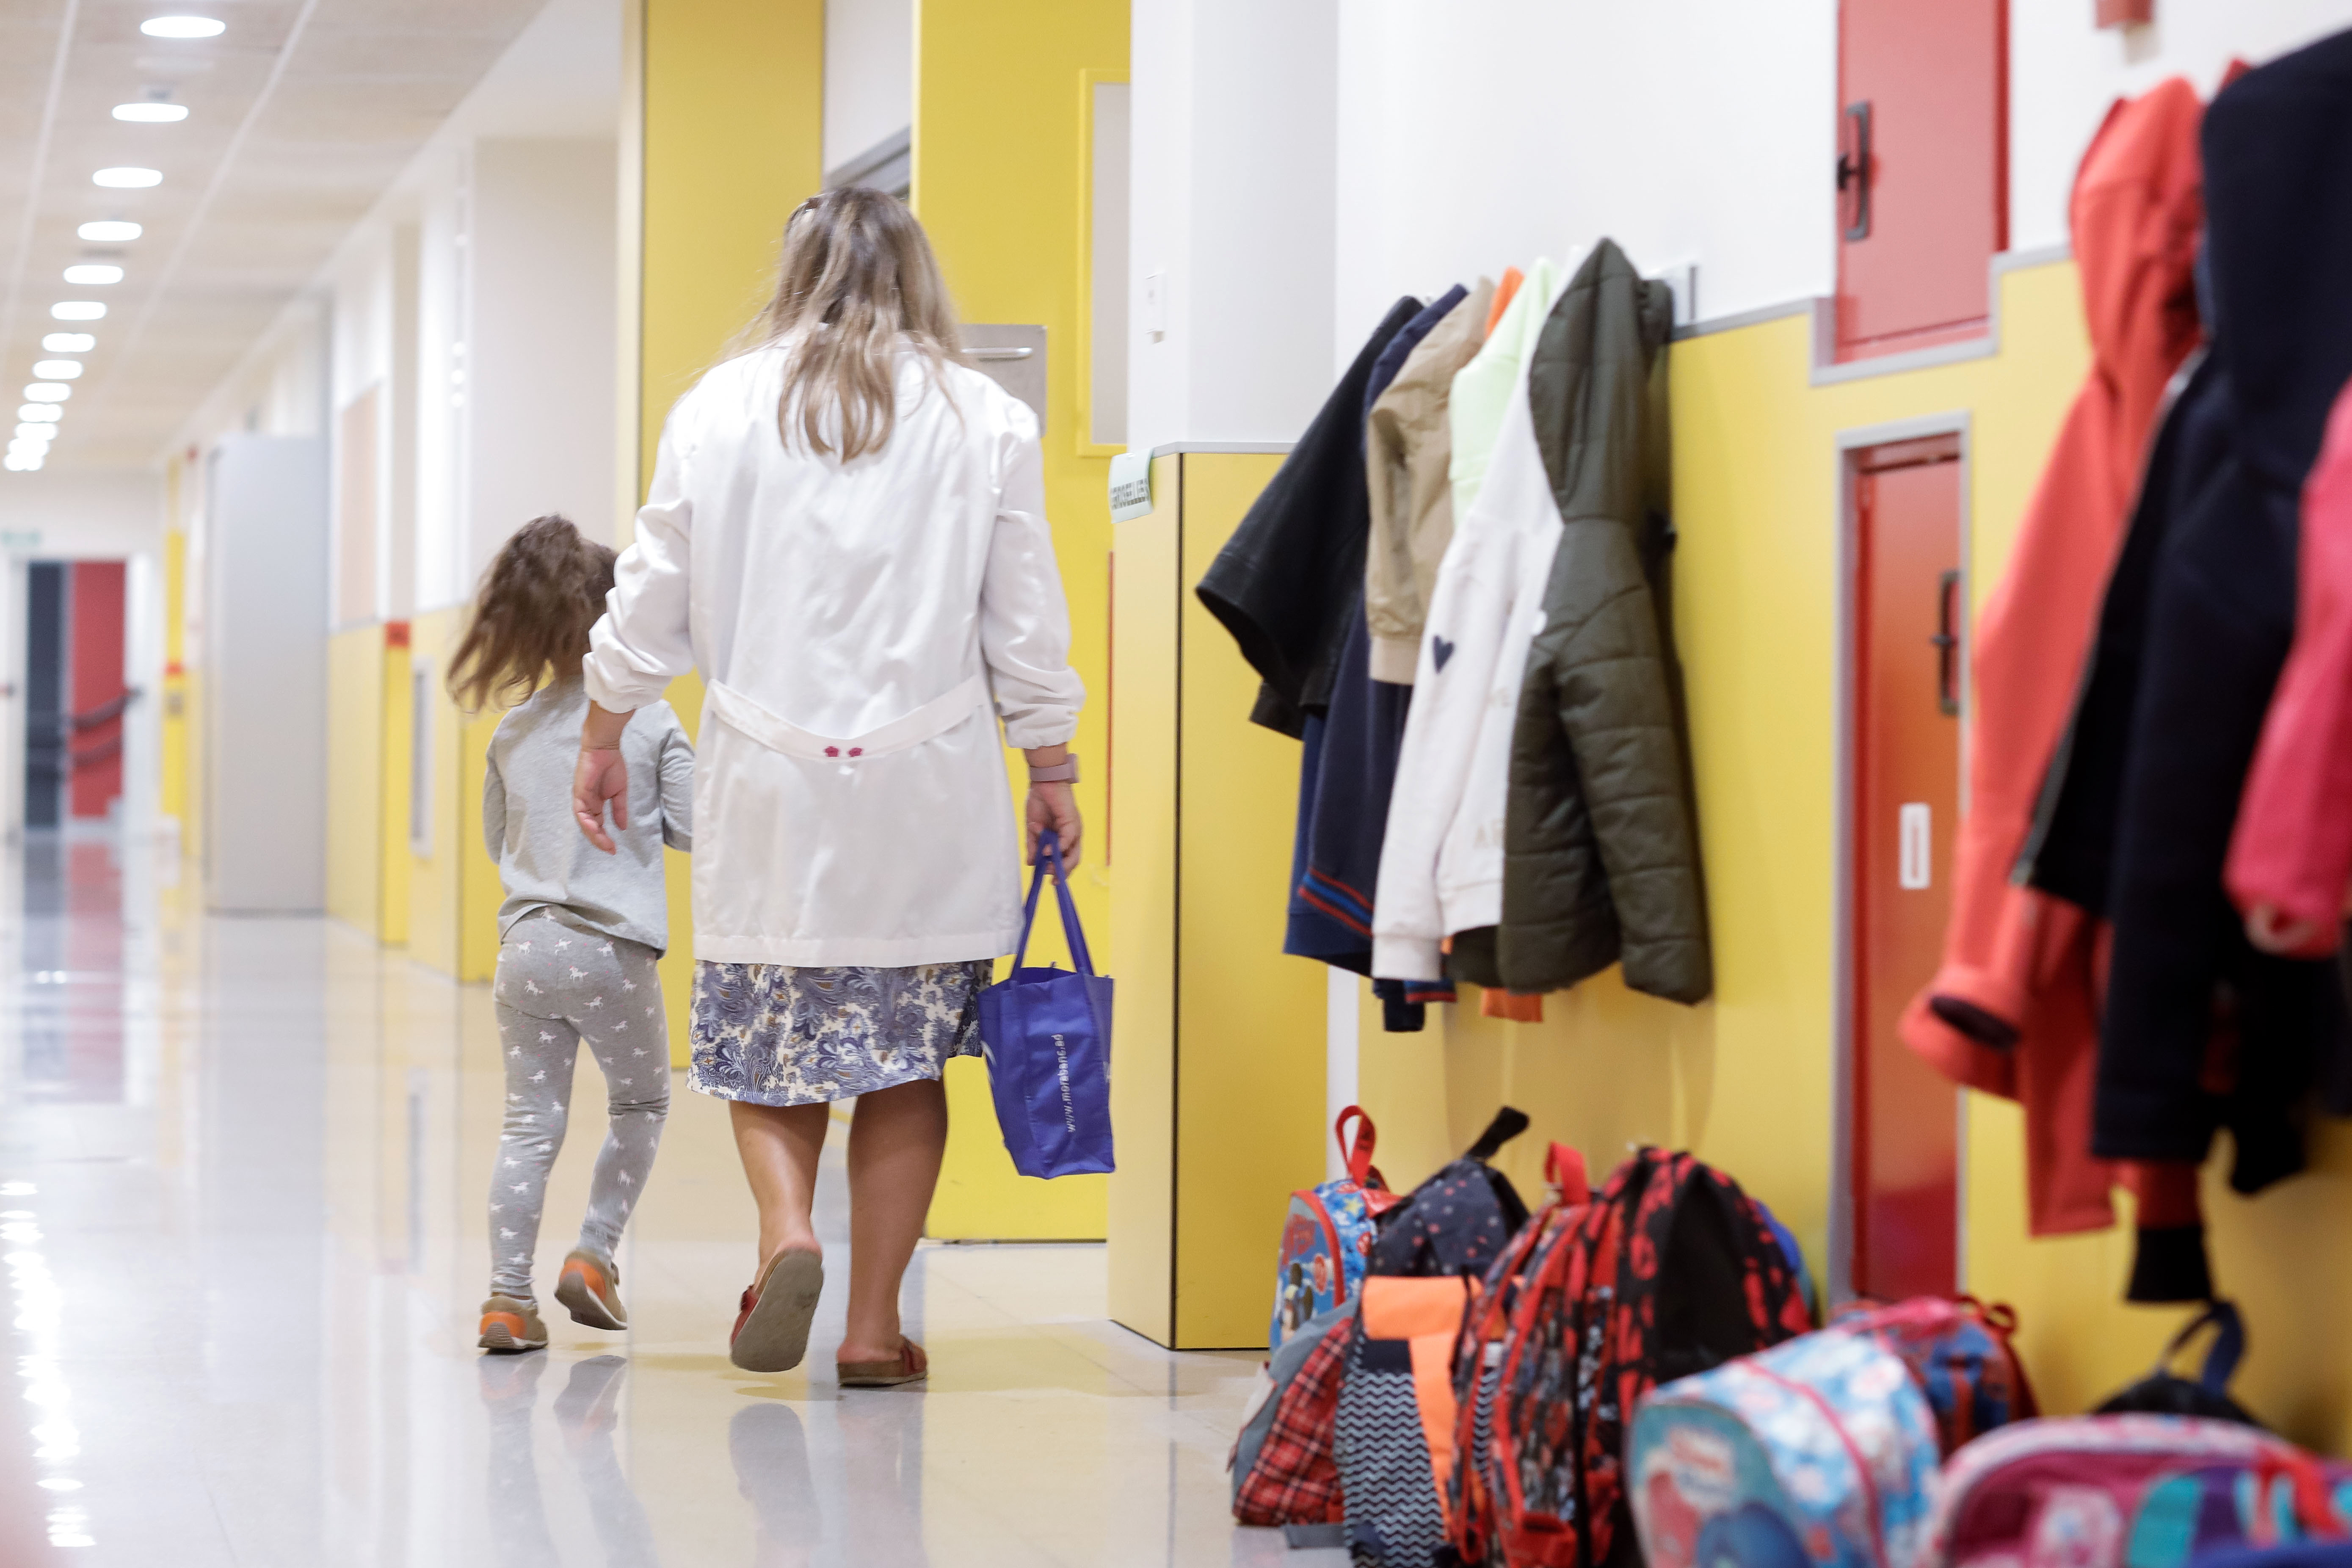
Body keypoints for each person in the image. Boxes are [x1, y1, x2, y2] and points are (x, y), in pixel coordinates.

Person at [574, 187, 1085, 1386]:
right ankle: (869, 1331)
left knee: (767, 1042)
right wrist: (1049, 759)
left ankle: (784, 1230)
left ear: (791, 272)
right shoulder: (985, 417)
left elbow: (650, 594)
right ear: (919, 275)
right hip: (929, 780)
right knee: (903, 1064)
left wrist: (603, 724)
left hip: (769, 776)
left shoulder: (719, 408)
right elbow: (1025, 619)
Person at [460, 515, 695, 1353]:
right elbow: (696, 830)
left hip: (524, 950)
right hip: (611, 950)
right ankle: (594, 1255)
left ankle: (504, 1299)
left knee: (529, 1123)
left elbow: (500, 843)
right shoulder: (652, 720)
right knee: (639, 1101)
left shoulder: (512, 729)